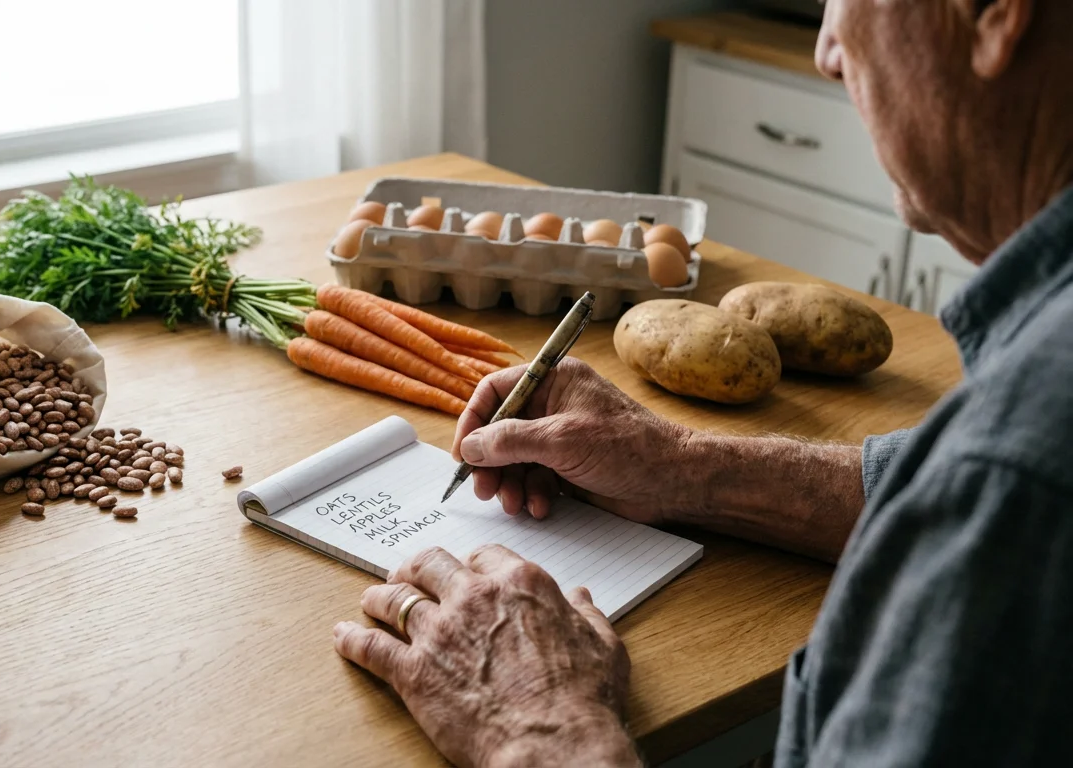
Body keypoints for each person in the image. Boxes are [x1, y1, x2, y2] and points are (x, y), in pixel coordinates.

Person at [330, 0, 1073, 765]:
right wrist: (680, 466)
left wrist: (540, 728)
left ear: (991, 14)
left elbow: (993, 489)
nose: (828, 48)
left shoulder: (1022, 474)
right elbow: (934, 483)